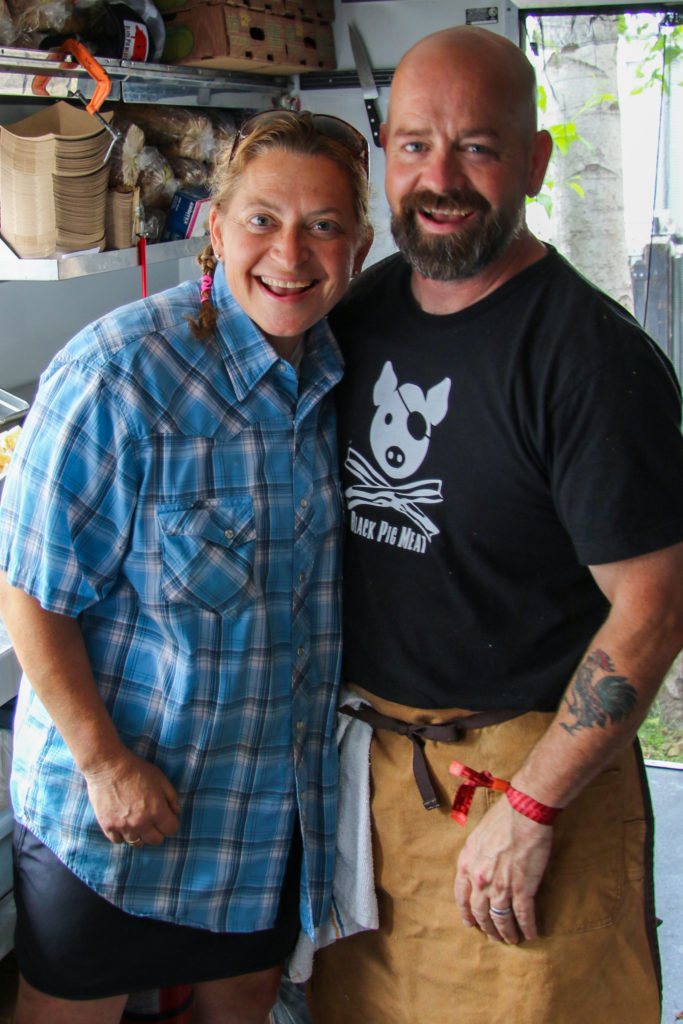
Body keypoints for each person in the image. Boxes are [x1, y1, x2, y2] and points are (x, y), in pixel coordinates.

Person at [308, 25, 683, 1024]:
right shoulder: (356, 313)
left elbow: (650, 608)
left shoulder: (590, 361)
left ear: (532, 160)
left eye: (475, 146)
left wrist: (531, 806)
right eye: (414, 145)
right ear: (382, 150)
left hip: (525, 781)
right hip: (373, 776)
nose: (439, 177)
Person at [0, 109, 372, 1024]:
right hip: (118, 810)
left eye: (323, 226)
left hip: (258, 810)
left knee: (243, 1000)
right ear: (214, 226)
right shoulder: (120, 373)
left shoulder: (337, 372)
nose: (291, 252)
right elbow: (30, 590)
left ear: (358, 246)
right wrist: (104, 762)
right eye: (262, 220)